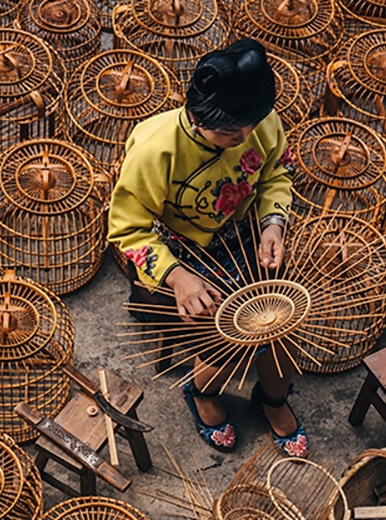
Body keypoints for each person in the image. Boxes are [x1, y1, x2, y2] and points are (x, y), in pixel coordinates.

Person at [107, 38, 306, 457]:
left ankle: (271, 398)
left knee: (283, 320)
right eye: (230, 133)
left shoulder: (258, 121)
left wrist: (272, 224)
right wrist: (178, 277)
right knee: (226, 338)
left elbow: (276, 174)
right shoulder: (156, 148)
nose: (244, 139)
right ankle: (202, 392)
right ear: (196, 116)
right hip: (176, 253)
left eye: (249, 128)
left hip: (244, 239)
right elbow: (128, 230)